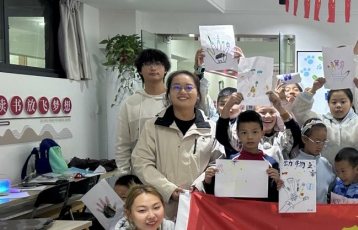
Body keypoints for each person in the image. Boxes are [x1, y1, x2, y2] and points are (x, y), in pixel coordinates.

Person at [132, 70, 223, 220]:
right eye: (176, 87)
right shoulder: (153, 126)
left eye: (189, 87)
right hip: (162, 206)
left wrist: (199, 185)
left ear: (198, 94)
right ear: (168, 94)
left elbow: (217, 162)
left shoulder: (210, 128)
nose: (182, 91)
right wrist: (169, 189)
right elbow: (141, 162)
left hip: (199, 203)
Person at [291, 77, 358, 164]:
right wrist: (313, 90)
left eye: (343, 101)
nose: (338, 105)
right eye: (334, 102)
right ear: (328, 104)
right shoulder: (319, 122)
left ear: (351, 103)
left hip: (356, 176)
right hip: (326, 175)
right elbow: (298, 110)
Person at [114, 49, 170, 175]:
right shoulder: (130, 104)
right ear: (140, 70)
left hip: (171, 173)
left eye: (158, 63)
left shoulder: (174, 100)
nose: (153, 68)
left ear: (165, 69)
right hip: (140, 175)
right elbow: (122, 144)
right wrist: (125, 176)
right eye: (147, 64)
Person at [209, 110, 284, 202]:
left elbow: (276, 199)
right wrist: (209, 180)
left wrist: (277, 182)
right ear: (238, 135)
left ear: (262, 134)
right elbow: (217, 195)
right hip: (234, 210)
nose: (250, 137)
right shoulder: (229, 162)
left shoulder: (271, 164)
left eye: (254, 132)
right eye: (244, 132)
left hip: (260, 210)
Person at [217, 91, 301, 163]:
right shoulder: (243, 139)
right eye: (262, 112)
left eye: (272, 112)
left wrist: (279, 107)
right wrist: (228, 106)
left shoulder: (280, 138)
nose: (268, 116)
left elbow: (295, 133)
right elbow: (222, 135)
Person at [193, 47, 245, 121]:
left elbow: (254, 91)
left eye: (233, 103)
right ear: (217, 106)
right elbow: (202, 92)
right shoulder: (213, 121)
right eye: (223, 104)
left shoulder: (247, 122)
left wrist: (244, 65)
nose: (228, 107)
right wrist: (198, 68)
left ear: (242, 107)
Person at [292, 119, 335, 204]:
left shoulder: (325, 163)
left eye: (324, 141)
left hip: (323, 211)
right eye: (317, 142)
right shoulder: (293, 165)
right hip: (300, 211)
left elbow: (331, 187)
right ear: (304, 139)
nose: (320, 146)